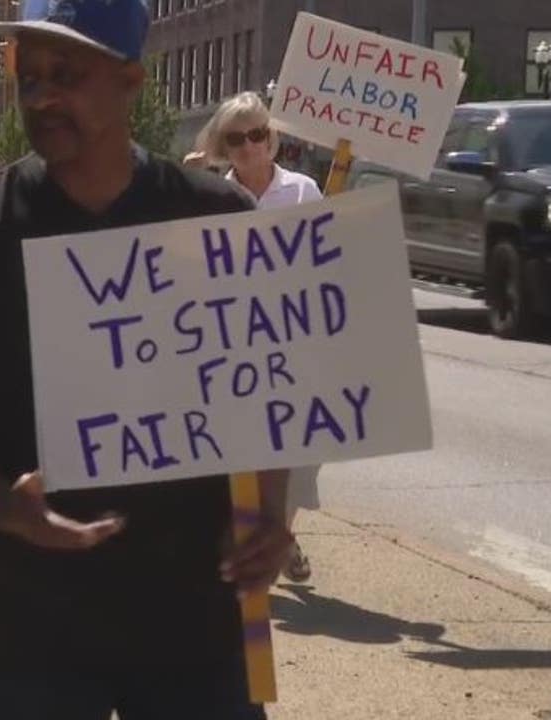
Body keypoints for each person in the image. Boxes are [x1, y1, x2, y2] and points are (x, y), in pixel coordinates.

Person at [0, 1, 292, 718]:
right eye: (27, 77)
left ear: (130, 81)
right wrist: (8, 508)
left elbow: (263, 401)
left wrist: (270, 517)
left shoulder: (214, 220)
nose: (40, 96)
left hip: (194, 613)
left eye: (66, 74)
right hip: (24, 623)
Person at [199, 90, 324, 582]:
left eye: (257, 134)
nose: (249, 146)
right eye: (236, 138)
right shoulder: (207, 199)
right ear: (222, 147)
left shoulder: (303, 192)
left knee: (297, 450)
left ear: (271, 139)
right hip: (233, 343)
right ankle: (266, 542)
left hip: (293, 338)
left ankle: (281, 533)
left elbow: (322, 257)